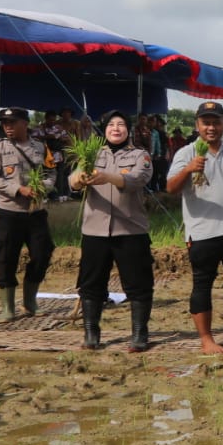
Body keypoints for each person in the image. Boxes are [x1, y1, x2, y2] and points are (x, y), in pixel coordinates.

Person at [168, 101, 223, 354]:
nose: (211, 127)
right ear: (197, 125)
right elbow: (171, 188)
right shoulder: (185, 153)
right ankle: (206, 339)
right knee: (202, 284)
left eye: (216, 122)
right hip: (202, 232)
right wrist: (188, 169)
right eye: (206, 122)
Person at [69, 111, 155, 351]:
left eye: (121, 124)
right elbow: (72, 181)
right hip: (95, 230)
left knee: (138, 284)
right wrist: (79, 179)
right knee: (91, 284)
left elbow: (137, 180)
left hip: (130, 230)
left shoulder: (140, 155)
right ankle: (91, 332)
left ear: (129, 130)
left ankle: (139, 334)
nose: (116, 128)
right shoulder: (92, 154)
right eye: (111, 125)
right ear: (104, 129)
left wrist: (106, 176)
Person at [0, 107, 57, 321]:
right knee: (5, 258)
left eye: (12, 123)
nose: (7, 127)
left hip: (36, 213)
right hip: (9, 213)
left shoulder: (40, 147)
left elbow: (51, 172)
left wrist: (43, 187)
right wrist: (18, 189)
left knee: (42, 254)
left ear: (25, 124)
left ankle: (30, 301)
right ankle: (8, 307)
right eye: (5, 123)